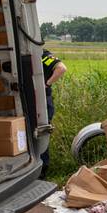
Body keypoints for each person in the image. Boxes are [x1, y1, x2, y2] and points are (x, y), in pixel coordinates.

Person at [40, 49, 66, 177]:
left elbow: (61, 68)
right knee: (40, 132)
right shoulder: (39, 54)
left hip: (42, 101)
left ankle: (42, 170)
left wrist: (46, 84)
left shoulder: (43, 55)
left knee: (42, 132)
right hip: (39, 101)